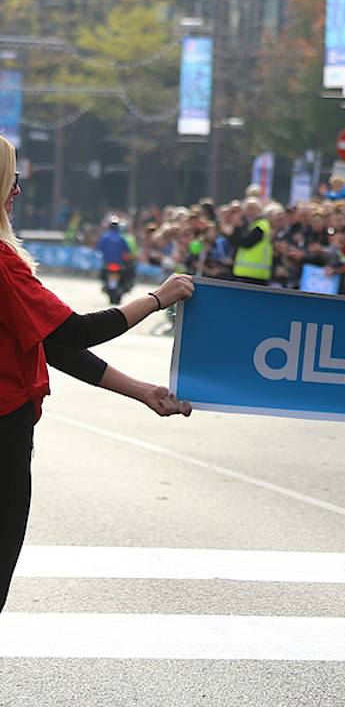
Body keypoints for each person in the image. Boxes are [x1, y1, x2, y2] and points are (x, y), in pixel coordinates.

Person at [0, 136, 193, 612]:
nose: (18, 191)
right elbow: (75, 332)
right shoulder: (3, 263)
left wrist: (142, 390)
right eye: (13, 179)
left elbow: (53, 346)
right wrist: (156, 299)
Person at [228, 199, 273, 285]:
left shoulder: (262, 225)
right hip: (244, 273)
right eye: (247, 209)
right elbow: (235, 243)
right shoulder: (249, 225)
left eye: (253, 209)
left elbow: (247, 243)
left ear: (260, 210)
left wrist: (237, 227)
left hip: (256, 275)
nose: (250, 212)